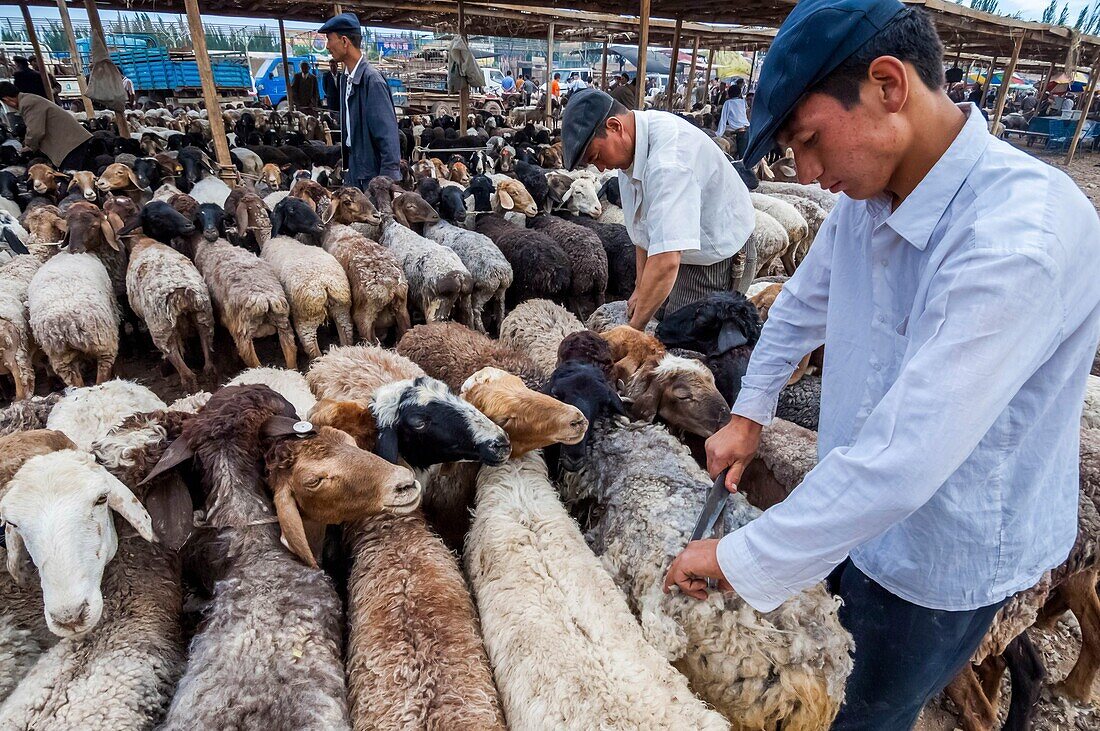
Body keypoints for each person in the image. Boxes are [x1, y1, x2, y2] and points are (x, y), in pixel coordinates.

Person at [660, 1, 1100, 729]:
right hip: (852, 513)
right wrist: (747, 414)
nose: (805, 172)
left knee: (864, 709)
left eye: (807, 140)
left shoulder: (1021, 235)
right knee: (824, 666)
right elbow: (800, 305)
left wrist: (740, 557)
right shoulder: (869, 202)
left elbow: (908, 453)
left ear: (888, 87)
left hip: (940, 557)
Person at [562, 88, 756, 325]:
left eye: (596, 156)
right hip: (680, 252)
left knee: (682, 345)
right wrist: (640, 287)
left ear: (614, 127)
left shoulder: (669, 163)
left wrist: (633, 332)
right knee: (659, 324)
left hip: (715, 258)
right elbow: (643, 230)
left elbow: (667, 259)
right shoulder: (632, 153)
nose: (601, 169)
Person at [319, 13, 400, 185]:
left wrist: (386, 182)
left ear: (345, 41)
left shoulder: (372, 81)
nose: (327, 46)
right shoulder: (345, 79)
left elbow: (388, 136)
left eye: (329, 39)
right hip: (355, 169)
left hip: (371, 174)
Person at [0, 81, 92, 169]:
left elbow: (35, 131)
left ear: (6, 99)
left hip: (71, 144)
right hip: (72, 141)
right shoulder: (28, 99)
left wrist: (29, 146)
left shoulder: (27, 103)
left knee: (71, 175)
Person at [716, 83, 750, 159]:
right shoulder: (743, 102)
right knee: (746, 156)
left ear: (729, 93)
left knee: (741, 159)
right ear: (739, 93)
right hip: (747, 129)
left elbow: (723, 120)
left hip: (740, 132)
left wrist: (718, 134)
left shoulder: (728, 103)